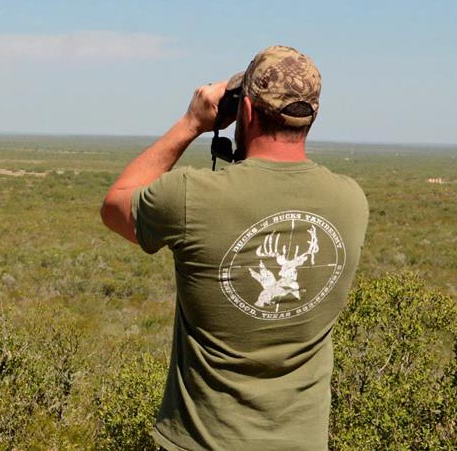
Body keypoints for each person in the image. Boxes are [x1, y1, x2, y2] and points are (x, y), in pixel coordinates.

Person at [99, 45, 369, 451]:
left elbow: (115, 205)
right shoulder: (351, 202)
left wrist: (192, 122)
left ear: (244, 111)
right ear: (311, 115)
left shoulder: (192, 196)